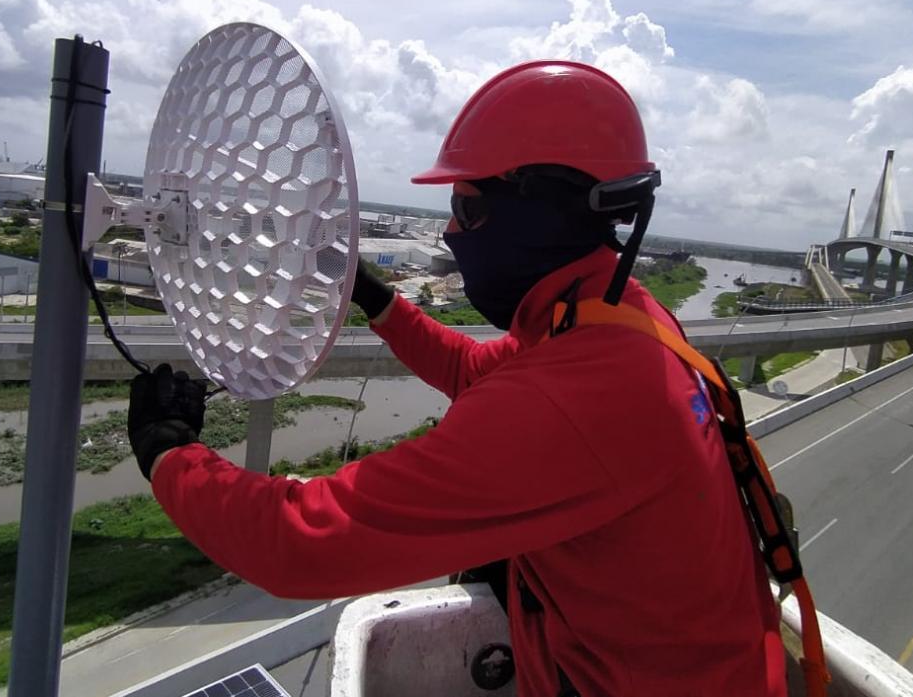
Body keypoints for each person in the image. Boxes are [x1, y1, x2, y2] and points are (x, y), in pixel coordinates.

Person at [128, 60, 787, 696]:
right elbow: (471, 369)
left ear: (541, 213)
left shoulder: (571, 402)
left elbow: (301, 544)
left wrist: (169, 451)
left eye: (465, 207)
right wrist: (372, 294)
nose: (449, 231)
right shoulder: (618, 319)